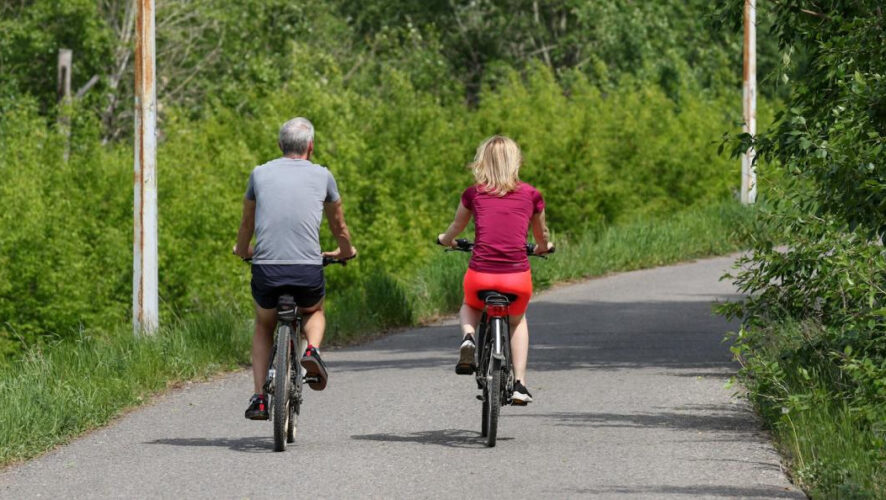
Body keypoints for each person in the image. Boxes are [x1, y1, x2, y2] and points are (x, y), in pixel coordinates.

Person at [234, 117, 356, 420]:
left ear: (280, 146)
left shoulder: (259, 174)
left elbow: (247, 223)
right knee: (313, 311)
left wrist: (241, 250)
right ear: (310, 147)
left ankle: (260, 397)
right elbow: (338, 225)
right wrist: (345, 252)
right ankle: (311, 350)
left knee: (264, 324)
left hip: (267, 270)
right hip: (306, 271)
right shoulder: (323, 176)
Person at [437, 135, 552, 405]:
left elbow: (456, 227)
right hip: (516, 279)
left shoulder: (473, 194)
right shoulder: (531, 195)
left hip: (481, 276)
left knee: (470, 304)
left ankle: (468, 337)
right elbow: (542, 235)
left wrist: (446, 239)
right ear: (516, 162)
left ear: (481, 162)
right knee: (517, 320)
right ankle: (520, 384)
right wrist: (543, 246)